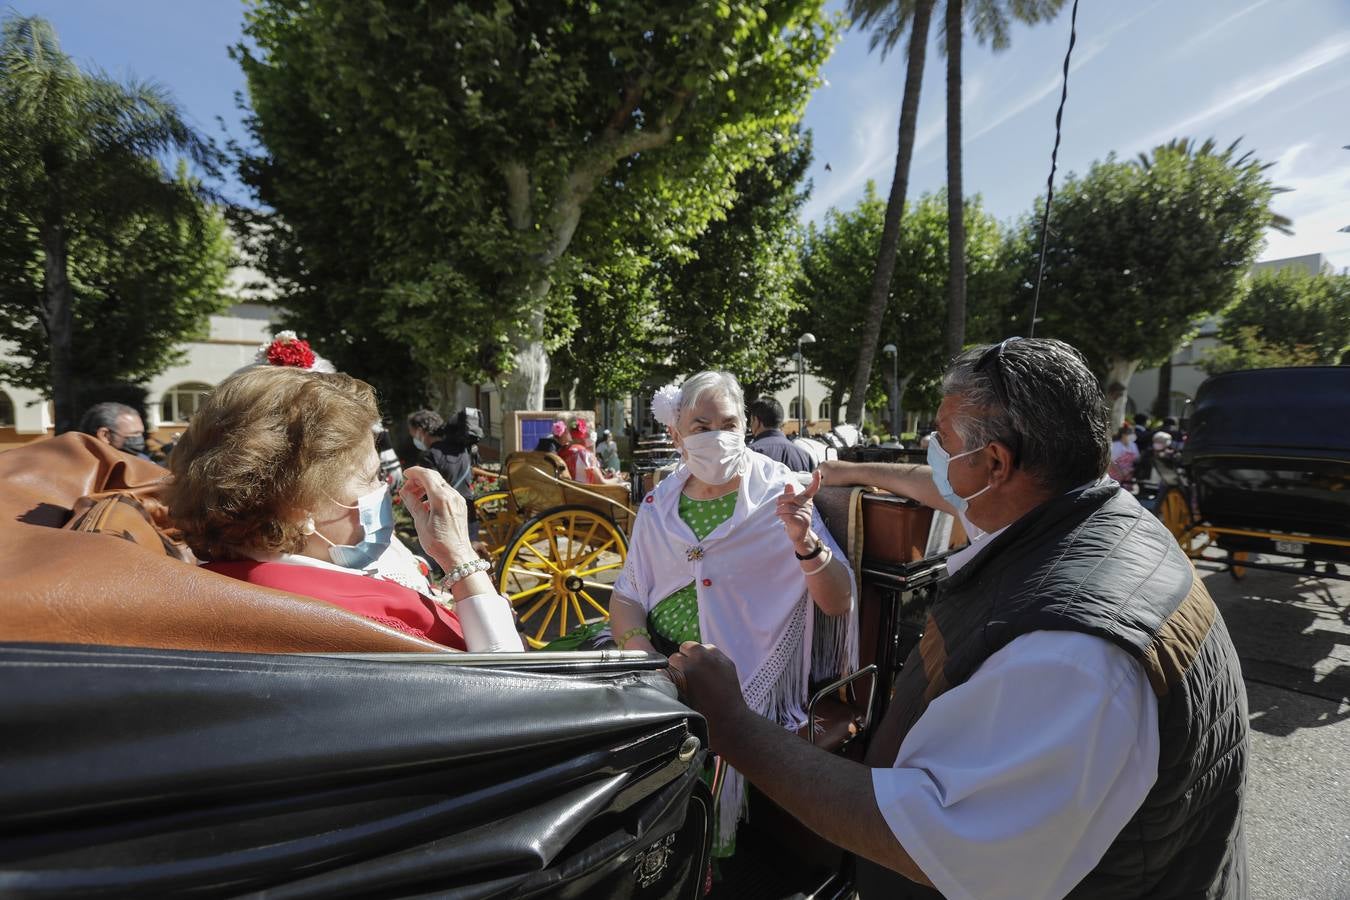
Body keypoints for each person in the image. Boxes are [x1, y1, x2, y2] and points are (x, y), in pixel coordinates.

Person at [670, 338, 1247, 899]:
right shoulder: (1081, 514)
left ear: (995, 462)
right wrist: (847, 472)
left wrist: (733, 724)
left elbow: (928, 837)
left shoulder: (1072, 654)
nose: (932, 455)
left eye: (941, 441)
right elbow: (943, 489)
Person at [609, 371, 857, 861]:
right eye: (701, 426)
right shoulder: (660, 503)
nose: (716, 437)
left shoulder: (782, 492)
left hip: (735, 685)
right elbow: (627, 596)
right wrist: (639, 654)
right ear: (675, 434)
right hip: (654, 665)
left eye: (729, 423)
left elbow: (839, 601)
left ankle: (679, 864)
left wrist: (804, 543)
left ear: (747, 425)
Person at [168, 366, 522, 653]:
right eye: (370, 477)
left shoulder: (222, 581)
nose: (385, 488)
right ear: (299, 508)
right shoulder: (357, 619)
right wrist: (462, 561)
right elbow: (509, 690)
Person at [746, 397, 815, 473]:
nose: (751, 425)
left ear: (756, 420)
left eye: (751, 421)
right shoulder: (805, 456)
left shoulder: (750, 453)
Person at [78, 402, 150, 459]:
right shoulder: (79, 468)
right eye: (135, 433)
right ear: (105, 435)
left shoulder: (144, 462)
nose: (140, 439)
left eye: (141, 433)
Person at [1108, 423, 1140, 488]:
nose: (1132, 435)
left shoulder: (1133, 445)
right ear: (1123, 435)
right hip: (1115, 474)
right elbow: (1111, 461)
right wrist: (1120, 472)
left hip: (1128, 475)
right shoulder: (1116, 445)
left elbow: (1137, 459)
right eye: (1130, 433)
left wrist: (1130, 470)